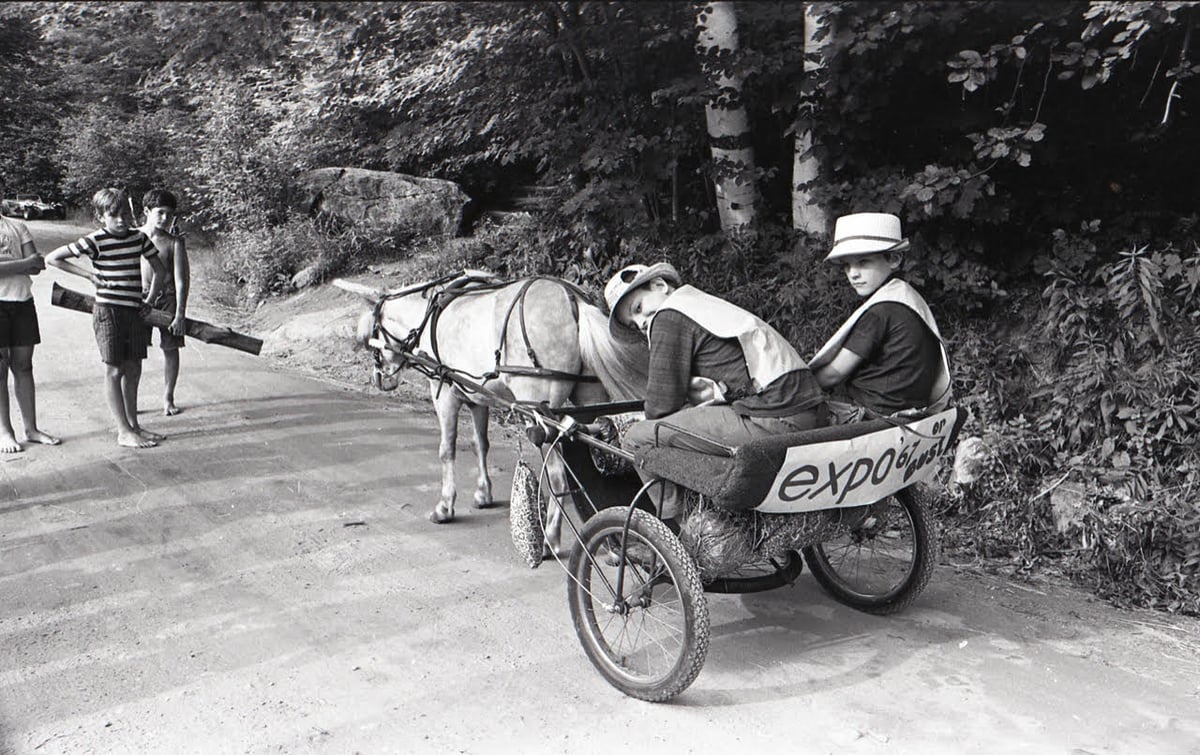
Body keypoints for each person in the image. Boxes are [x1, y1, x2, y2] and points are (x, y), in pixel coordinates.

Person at [605, 262, 827, 523]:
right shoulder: (703, 304)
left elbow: (660, 407)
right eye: (633, 323)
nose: (641, 322)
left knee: (637, 437)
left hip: (775, 421)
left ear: (660, 286)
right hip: (809, 413)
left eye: (638, 308)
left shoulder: (668, 316)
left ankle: (682, 534)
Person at [46, 187, 169, 448]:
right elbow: (53, 258)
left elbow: (160, 271)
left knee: (134, 368)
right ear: (101, 216)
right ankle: (123, 430)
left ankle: (134, 425)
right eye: (114, 215)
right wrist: (89, 276)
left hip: (135, 312)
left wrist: (148, 301)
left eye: (125, 214)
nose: (122, 220)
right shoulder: (95, 240)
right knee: (115, 369)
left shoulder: (139, 239)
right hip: (108, 312)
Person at [809, 212, 952, 423]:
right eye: (847, 265)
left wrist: (798, 389)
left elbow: (833, 374)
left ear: (894, 259)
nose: (853, 273)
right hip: (908, 412)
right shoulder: (907, 298)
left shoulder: (881, 312)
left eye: (863, 262)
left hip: (869, 416)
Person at [0, 202, 60, 453]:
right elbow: (30, 262)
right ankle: (5, 431)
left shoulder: (17, 225)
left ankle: (31, 429)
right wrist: (23, 263)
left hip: (22, 301)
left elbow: (38, 266)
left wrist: (15, 266)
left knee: (24, 366)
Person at [137, 188, 190, 416]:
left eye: (169, 214)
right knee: (135, 352)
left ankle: (168, 398)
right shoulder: (133, 236)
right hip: (140, 299)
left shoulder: (174, 243)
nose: (165, 218)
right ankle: (132, 400)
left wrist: (180, 314)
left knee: (171, 349)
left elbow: (181, 281)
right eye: (160, 213)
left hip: (167, 300)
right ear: (147, 211)